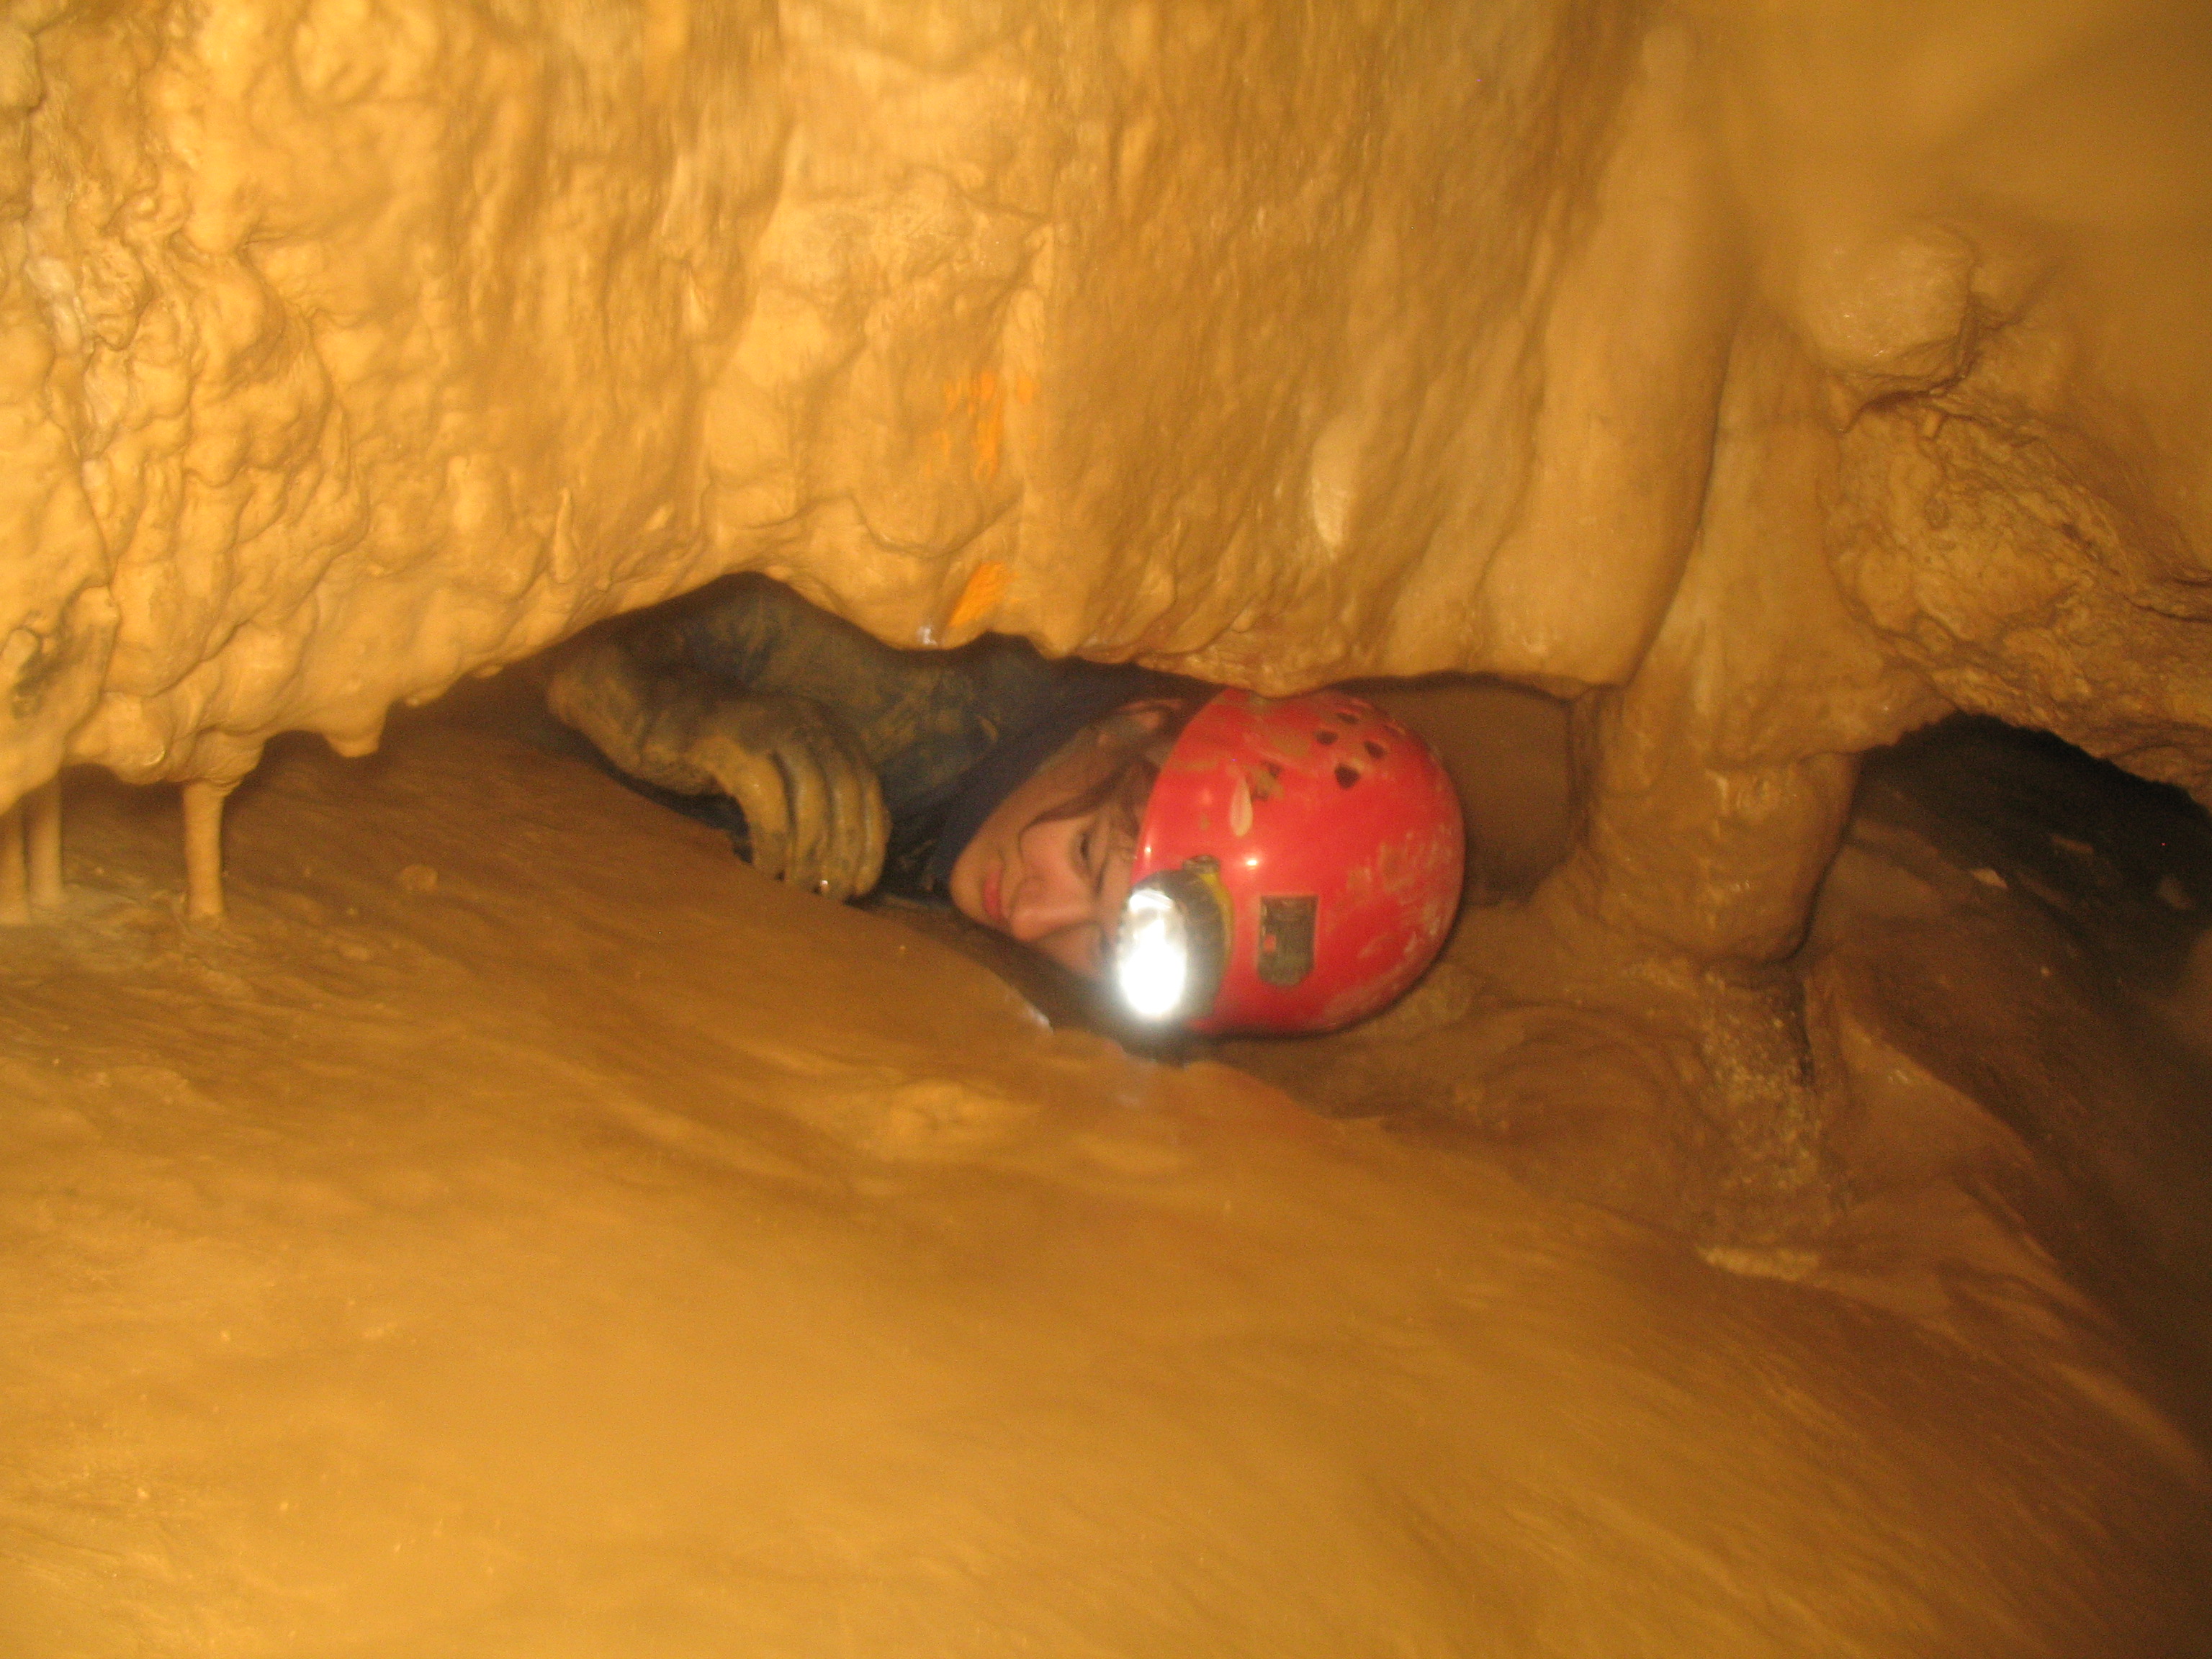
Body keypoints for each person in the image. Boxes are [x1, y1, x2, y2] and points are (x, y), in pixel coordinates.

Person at [547, 574, 1464, 1034]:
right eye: (1087, 857)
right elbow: (559, 619)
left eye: (1104, 948)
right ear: (1136, 723)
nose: (1030, 919)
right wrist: (674, 714)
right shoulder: (907, 679)